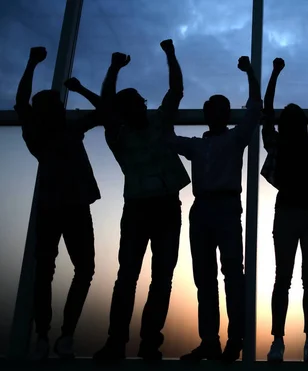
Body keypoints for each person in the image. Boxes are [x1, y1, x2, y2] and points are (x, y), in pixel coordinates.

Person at [93, 39, 190, 361]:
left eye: (138, 101)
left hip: (164, 205)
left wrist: (171, 56)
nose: (139, 106)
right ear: (123, 111)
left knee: (160, 277)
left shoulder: (159, 122)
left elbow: (176, 90)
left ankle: (148, 342)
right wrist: (113, 70)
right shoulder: (118, 134)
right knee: (129, 276)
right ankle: (117, 342)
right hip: (138, 208)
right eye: (132, 103)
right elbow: (106, 105)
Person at [170, 56, 262, 363]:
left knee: (232, 273)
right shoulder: (198, 145)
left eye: (220, 109)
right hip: (205, 209)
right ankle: (211, 340)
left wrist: (250, 72)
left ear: (224, 114)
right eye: (212, 109)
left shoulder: (234, 138)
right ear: (209, 114)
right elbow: (166, 139)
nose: (215, 114)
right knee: (205, 276)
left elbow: (254, 108)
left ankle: (234, 338)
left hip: (223, 208)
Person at [15, 47, 101, 360]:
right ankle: (59, 335)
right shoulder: (61, 130)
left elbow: (21, 102)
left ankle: (46, 336)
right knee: (79, 269)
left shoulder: (38, 131)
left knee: (47, 271)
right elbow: (102, 111)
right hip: (70, 206)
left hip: (57, 206)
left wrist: (32, 63)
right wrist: (79, 89)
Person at [261, 57, 308, 363]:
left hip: (301, 213)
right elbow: (267, 112)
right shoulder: (284, 142)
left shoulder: (285, 142)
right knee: (298, 279)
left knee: (289, 279)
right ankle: (294, 340)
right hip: (299, 212)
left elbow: (268, 112)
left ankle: (294, 340)